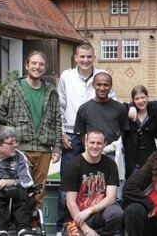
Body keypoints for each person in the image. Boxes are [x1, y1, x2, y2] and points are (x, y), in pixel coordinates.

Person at [0, 51, 61, 209]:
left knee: (38, 190)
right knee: (19, 187)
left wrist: (57, 147)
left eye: (41, 64)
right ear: (27, 65)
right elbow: (0, 109)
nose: (37, 67)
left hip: (43, 149)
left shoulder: (51, 91)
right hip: (19, 147)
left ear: (45, 68)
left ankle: (35, 225)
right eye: (33, 63)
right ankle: (19, 224)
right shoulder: (13, 87)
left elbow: (56, 120)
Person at [57, 42, 115, 231]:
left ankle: (96, 224)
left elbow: (111, 103)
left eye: (89, 56)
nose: (85, 60)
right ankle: (64, 226)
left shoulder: (102, 76)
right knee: (68, 184)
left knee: (99, 183)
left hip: (96, 138)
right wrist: (61, 132)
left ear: (94, 57)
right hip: (73, 135)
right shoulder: (67, 76)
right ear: (75, 58)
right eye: (81, 56)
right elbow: (60, 106)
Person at [61, 129, 124, 236]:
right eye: (92, 142)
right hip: (76, 219)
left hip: (98, 215)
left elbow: (111, 198)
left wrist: (90, 210)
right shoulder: (73, 165)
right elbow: (70, 203)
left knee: (117, 213)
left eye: (99, 143)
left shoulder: (110, 164)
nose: (95, 146)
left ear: (105, 144)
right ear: (86, 142)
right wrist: (86, 230)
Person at [0, 126, 35, 235]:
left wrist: (12, 182)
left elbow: (28, 181)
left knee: (21, 194)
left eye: (16, 142)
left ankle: (24, 230)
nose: (15, 145)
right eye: (11, 143)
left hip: (15, 191)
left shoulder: (19, 156)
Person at [74, 72, 128, 162]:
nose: (102, 88)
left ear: (111, 86)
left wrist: (115, 147)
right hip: (91, 154)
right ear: (93, 85)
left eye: (106, 85)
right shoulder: (84, 108)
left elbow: (124, 131)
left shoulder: (120, 108)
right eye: (99, 84)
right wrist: (89, 151)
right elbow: (82, 134)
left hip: (113, 154)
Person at [123, 85, 157, 179]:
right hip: (132, 159)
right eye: (137, 98)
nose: (140, 101)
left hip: (149, 157)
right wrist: (131, 106)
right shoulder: (128, 111)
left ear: (147, 97)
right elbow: (123, 105)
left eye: (143, 97)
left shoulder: (154, 112)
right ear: (133, 100)